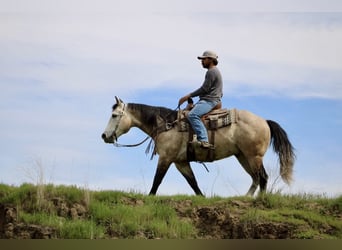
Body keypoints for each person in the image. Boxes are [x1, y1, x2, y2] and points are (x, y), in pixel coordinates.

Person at [178, 50, 223, 148]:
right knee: (189, 109)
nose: (201, 61)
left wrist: (188, 96)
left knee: (192, 115)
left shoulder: (211, 72)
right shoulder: (214, 71)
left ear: (210, 59)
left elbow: (204, 89)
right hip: (211, 100)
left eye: (204, 59)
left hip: (210, 101)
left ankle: (203, 140)